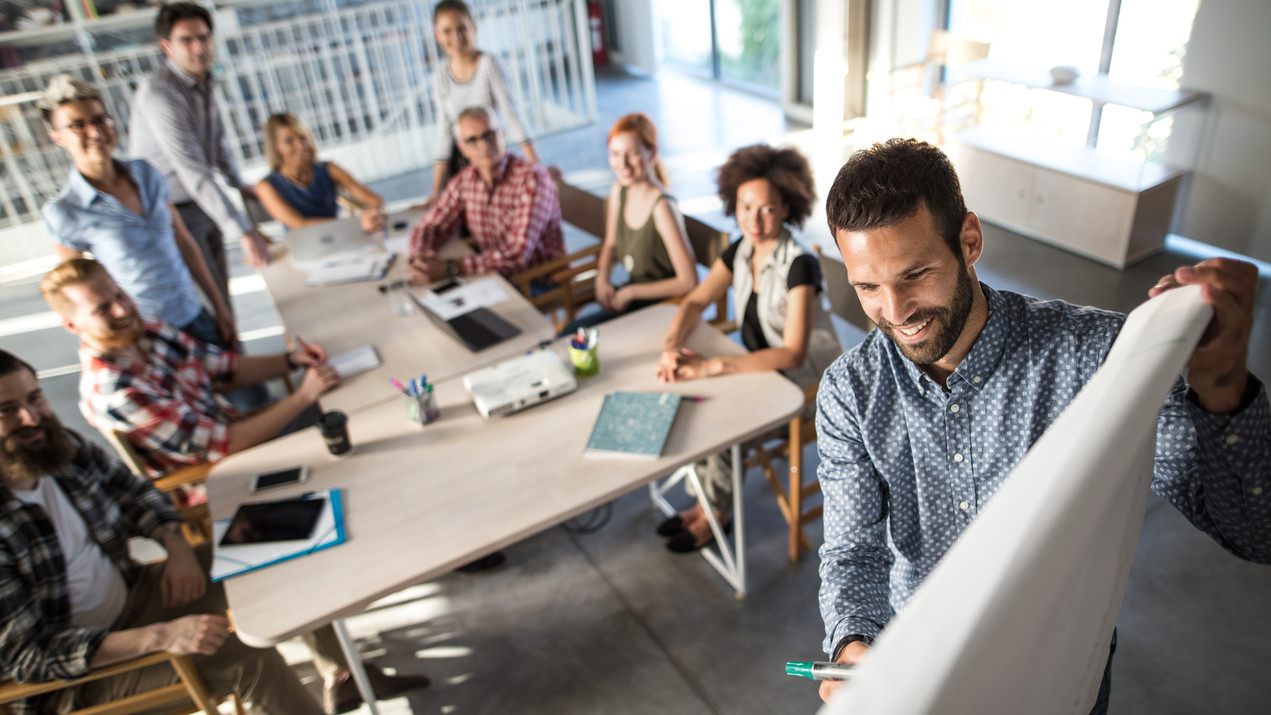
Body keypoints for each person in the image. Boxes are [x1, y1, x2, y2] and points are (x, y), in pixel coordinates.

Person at [814, 138, 1271, 710]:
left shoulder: (1098, 359)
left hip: (1059, 675)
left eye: (915, 274)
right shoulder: (849, 392)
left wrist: (1223, 386)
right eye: (867, 288)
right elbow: (853, 552)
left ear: (970, 241)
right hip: (920, 674)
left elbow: (1257, 533)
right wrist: (854, 640)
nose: (896, 309)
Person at [36, 258, 430, 712]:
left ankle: (342, 671)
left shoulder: (146, 330)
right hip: (214, 482)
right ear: (71, 324)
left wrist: (289, 361)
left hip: (239, 446)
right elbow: (221, 447)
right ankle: (363, 611)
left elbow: (221, 368)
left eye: (120, 295)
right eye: (104, 308)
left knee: (341, 425)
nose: (123, 310)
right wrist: (303, 394)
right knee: (333, 444)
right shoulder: (115, 392)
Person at [0, 350, 325, 714]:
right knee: (249, 661)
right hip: (78, 680)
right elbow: (28, 657)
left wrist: (178, 549)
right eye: (6, 411)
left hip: (136, 593)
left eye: (34, 398)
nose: (30, 418)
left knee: (280, 537)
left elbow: (139, 493)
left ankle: (340, 674)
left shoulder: (60, 447)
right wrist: (161, 636)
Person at [655, 144, 842, 552]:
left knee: (722, 422)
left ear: (788, 208)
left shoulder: (799, 265)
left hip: (806, 387)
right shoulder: (740, 249)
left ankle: (714, 514)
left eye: (768, 209)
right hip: (763, 371)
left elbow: (792, 353)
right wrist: (672, 345)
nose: (753, 221)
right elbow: (695, 301)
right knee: (696, 401)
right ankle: (706, 502)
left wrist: (713, 367)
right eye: (745, 207)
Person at [38, 74, 236, 352]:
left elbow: (183, 240)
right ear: (58, 137)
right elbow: (80, 297)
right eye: (77, 126)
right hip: (145, 334)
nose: (95, 132)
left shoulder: (145, 173)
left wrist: (219, 305)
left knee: (248, 392)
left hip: (194, 312)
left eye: (99, 119)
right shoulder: (65, 212)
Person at [129, 1, 274, 312]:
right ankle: (229, 359)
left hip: (201, 202)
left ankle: (235, 357)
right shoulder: (160, 93)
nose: (199, 48)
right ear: (166, 46)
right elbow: (192, 168)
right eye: (187, 40)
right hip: (170, 210)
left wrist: (238, 182)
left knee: (221, 291)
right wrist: (244, 231)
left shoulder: (205, 80)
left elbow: (216, 140)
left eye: (205, 38)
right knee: (206, 302)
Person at [562, 113, 697, 333]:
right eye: (615, 154)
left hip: (661, 309)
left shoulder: (662, 208)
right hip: (631, 302)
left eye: (632, 154)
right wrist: (602, 278)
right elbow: (611, 244)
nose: (622, 164)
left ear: (652, 153)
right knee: (572, 334)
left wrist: (631, 292)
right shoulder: (619, 190)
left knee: (574, 336)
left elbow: (689, 281)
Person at [408, 106, 565, 284]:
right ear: (463, 148)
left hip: (536, 281)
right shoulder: (465, 179)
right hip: (494, 276)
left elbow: (518, 255)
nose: (483, 145)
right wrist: (419, 257)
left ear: (502, 134)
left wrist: (449, 268)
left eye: (489, 134)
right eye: (473, 140)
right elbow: (430, 225)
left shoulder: (533, 178)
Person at [424, 0, 543, 207]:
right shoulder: (439, 77)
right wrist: (435, 193)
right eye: (447, 31)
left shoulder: (490, 65)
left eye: (462, 28)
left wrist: (538, 169)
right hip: (460, 164)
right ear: (437, 34)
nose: (456, 37)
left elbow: (512, 115)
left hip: (490, 158)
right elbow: (444, 131)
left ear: (474, 27)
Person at [255, 112, 386, 233]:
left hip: (342, 239)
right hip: (305, 252)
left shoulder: (329, 168)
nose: (300, 146)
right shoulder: (266, 186)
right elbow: (300, 225)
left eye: (303, 138)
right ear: (276, 147)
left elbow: (374, 200)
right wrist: (356, 224)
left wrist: (372, 213)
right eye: (289, 141)